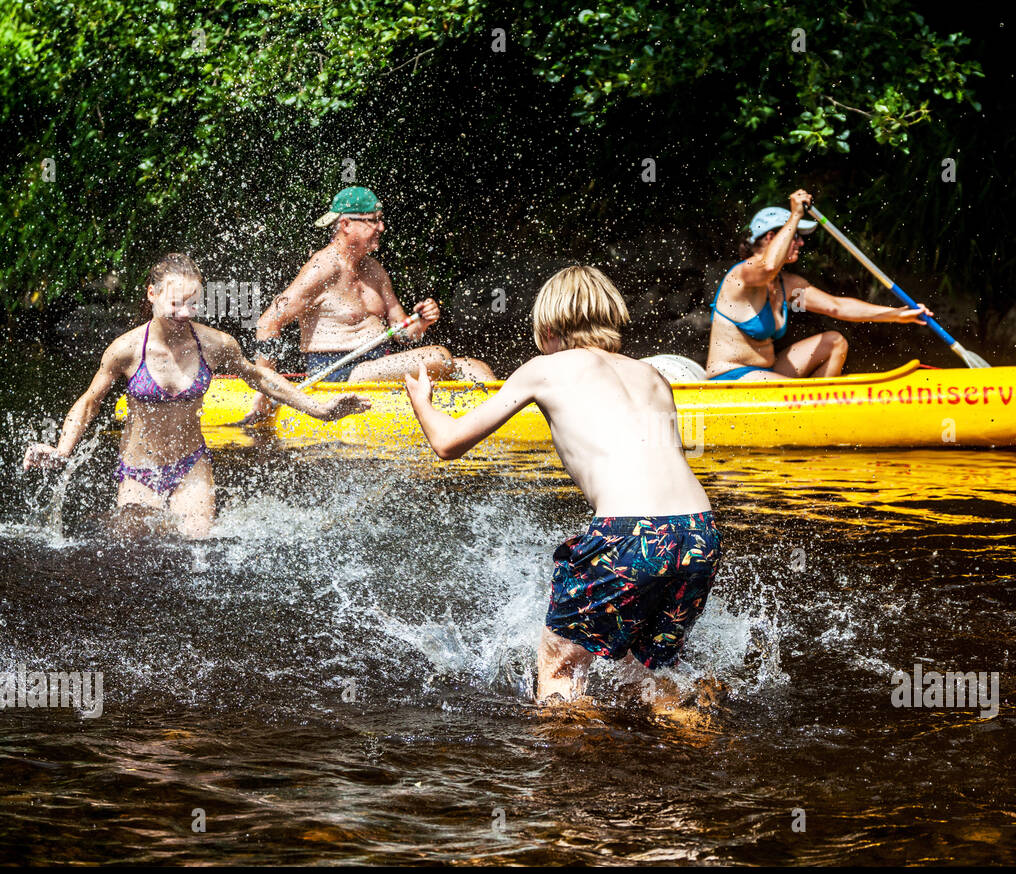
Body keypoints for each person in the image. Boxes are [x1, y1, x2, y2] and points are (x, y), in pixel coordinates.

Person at [403, 265, 721, 702]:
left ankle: (564, 767)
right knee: (651, 677)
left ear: (548, 327)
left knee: (560, 670)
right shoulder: (653, 376)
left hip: (629, 533)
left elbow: (448, 442)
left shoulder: (545, 368)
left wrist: (422, 403)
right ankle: (695, 743)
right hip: (697, 532)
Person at [23, 253, 370, 537]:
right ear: (151, 294)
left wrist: (320, 409)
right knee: (131, 551)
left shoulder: (215, 344)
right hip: (139, 469)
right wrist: (62, 450)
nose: (184, 314)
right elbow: (89, 402)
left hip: (191, 465)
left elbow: (260, 378)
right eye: (176, 304)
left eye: (193, 304)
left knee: (197, 548)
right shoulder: (126, 349)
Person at [247, 187, 494, 420]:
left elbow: (404, 334)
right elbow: (268, 322)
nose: (382, 227)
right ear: (345, 224)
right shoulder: (321, 268)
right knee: (438, 355)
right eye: (373, 220)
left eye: (380, 219)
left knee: (474, 366)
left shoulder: (375, 270)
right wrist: (265, 387)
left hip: (376, 365)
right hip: (337, 374)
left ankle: (501, 416)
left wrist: (421, 322)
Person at [704, 189, 933, 381]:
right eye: (796, 236)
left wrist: (897, 315)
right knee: (791, 386)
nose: (801, 242)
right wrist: (794, 215)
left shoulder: (789, 285)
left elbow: (836, 307)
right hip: (730, 376)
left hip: (768, 373)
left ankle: (819, 413)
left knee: (834, 342)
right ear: (771, 237)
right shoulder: (743, 275)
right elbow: (768, 267)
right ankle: (812, 405)